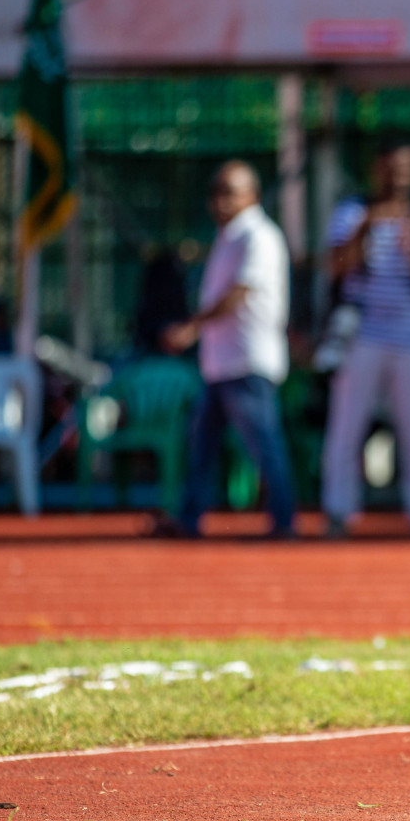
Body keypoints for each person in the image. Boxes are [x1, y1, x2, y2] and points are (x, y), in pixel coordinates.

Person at [156, 161, 296, 539]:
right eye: (215, 192)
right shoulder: (229, 237)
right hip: (220, 364)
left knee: (264, 445)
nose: (219, 201)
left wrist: (191, 328)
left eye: (229, 192)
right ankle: (188, 518)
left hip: (248, 361)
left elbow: (238, 293)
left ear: (252, 194)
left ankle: (283, 523)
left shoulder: (259, 236)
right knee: (200, 448)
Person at [321, 141, 410, 537]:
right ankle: (339, 511)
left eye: (407, 167)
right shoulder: (351, 213)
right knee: (346, 427)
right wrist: (365, 228)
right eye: (392, 167)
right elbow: (335, 268)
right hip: (362, 337)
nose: (399, 175)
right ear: (378, 169)